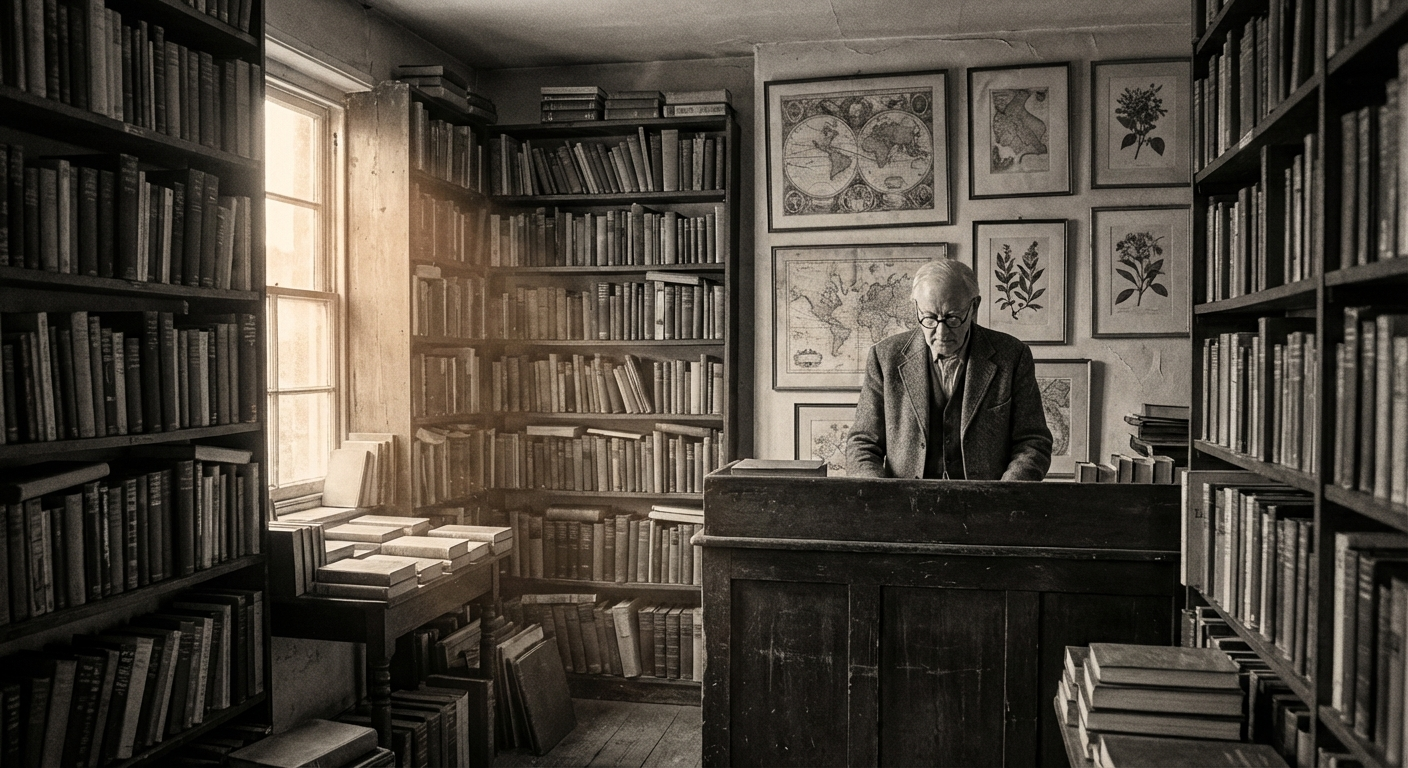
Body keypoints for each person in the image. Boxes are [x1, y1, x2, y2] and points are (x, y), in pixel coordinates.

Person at [845, 259, 1053, 481]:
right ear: (916, 307)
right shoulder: (885, 357)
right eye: (930, 318)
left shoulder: (1012, 355)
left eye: (953, 318)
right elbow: (863, 443)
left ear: (974, 306)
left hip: (986, 506)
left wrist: (1004, 495)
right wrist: (879, 494)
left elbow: (1033, 441)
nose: (941, 331)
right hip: (905, 507)